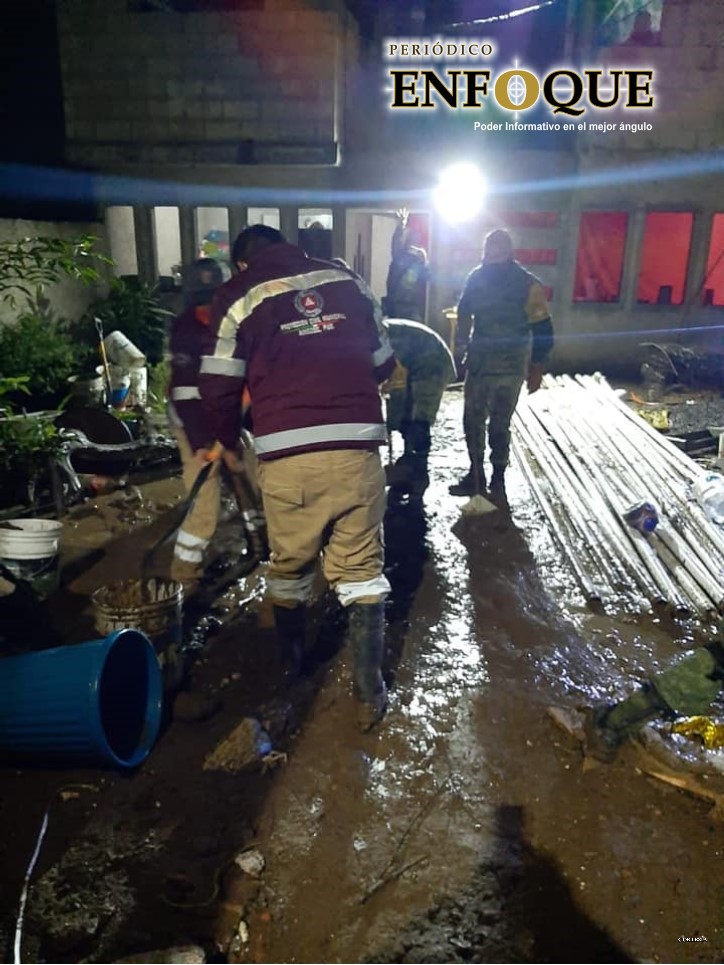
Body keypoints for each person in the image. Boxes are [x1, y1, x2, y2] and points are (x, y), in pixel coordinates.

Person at [198, 225, 396, 730]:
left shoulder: (237, 295)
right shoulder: (347, 282)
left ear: (243, 263)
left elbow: (218, 386)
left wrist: (225, 437)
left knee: (290, 568)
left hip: (289, 456)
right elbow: (382, 363)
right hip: (358, 449)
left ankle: (291, 676)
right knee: (362, 571)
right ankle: (369, 692)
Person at [449, 228, 554, 500]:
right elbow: (464, 314)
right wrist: (536, 367)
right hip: (501, 365)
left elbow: (543, 327)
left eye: (493, 249)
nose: (489, 255)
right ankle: (488, 477)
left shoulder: (490, 279)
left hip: (494, 365)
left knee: (484, 421)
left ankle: (486, 476)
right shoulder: (522, 282)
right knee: (491, 422)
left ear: (504, 251)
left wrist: (537, 367)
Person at [167, 258, 226, 593]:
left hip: (219, 417)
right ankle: (183, 578)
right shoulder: (187, 330)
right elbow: (186, 392)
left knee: (249, 472)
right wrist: (202, 443)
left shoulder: (221, 323)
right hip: (194, 424)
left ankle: (258, 540)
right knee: (204, 504)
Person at [383, 318, 456, 500]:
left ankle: (419, 473)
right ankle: (408, 464)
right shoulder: (370, 332)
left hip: (432, 365)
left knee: (419, 420)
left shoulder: (375, 335)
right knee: (405, 415)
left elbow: (389, 375)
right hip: (415, 364)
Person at [383, 209, 429, 323]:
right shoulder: (401, 257)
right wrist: (400, 226)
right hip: (399, 306)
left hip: (410, 308)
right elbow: (396, 243)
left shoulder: (419, 262)